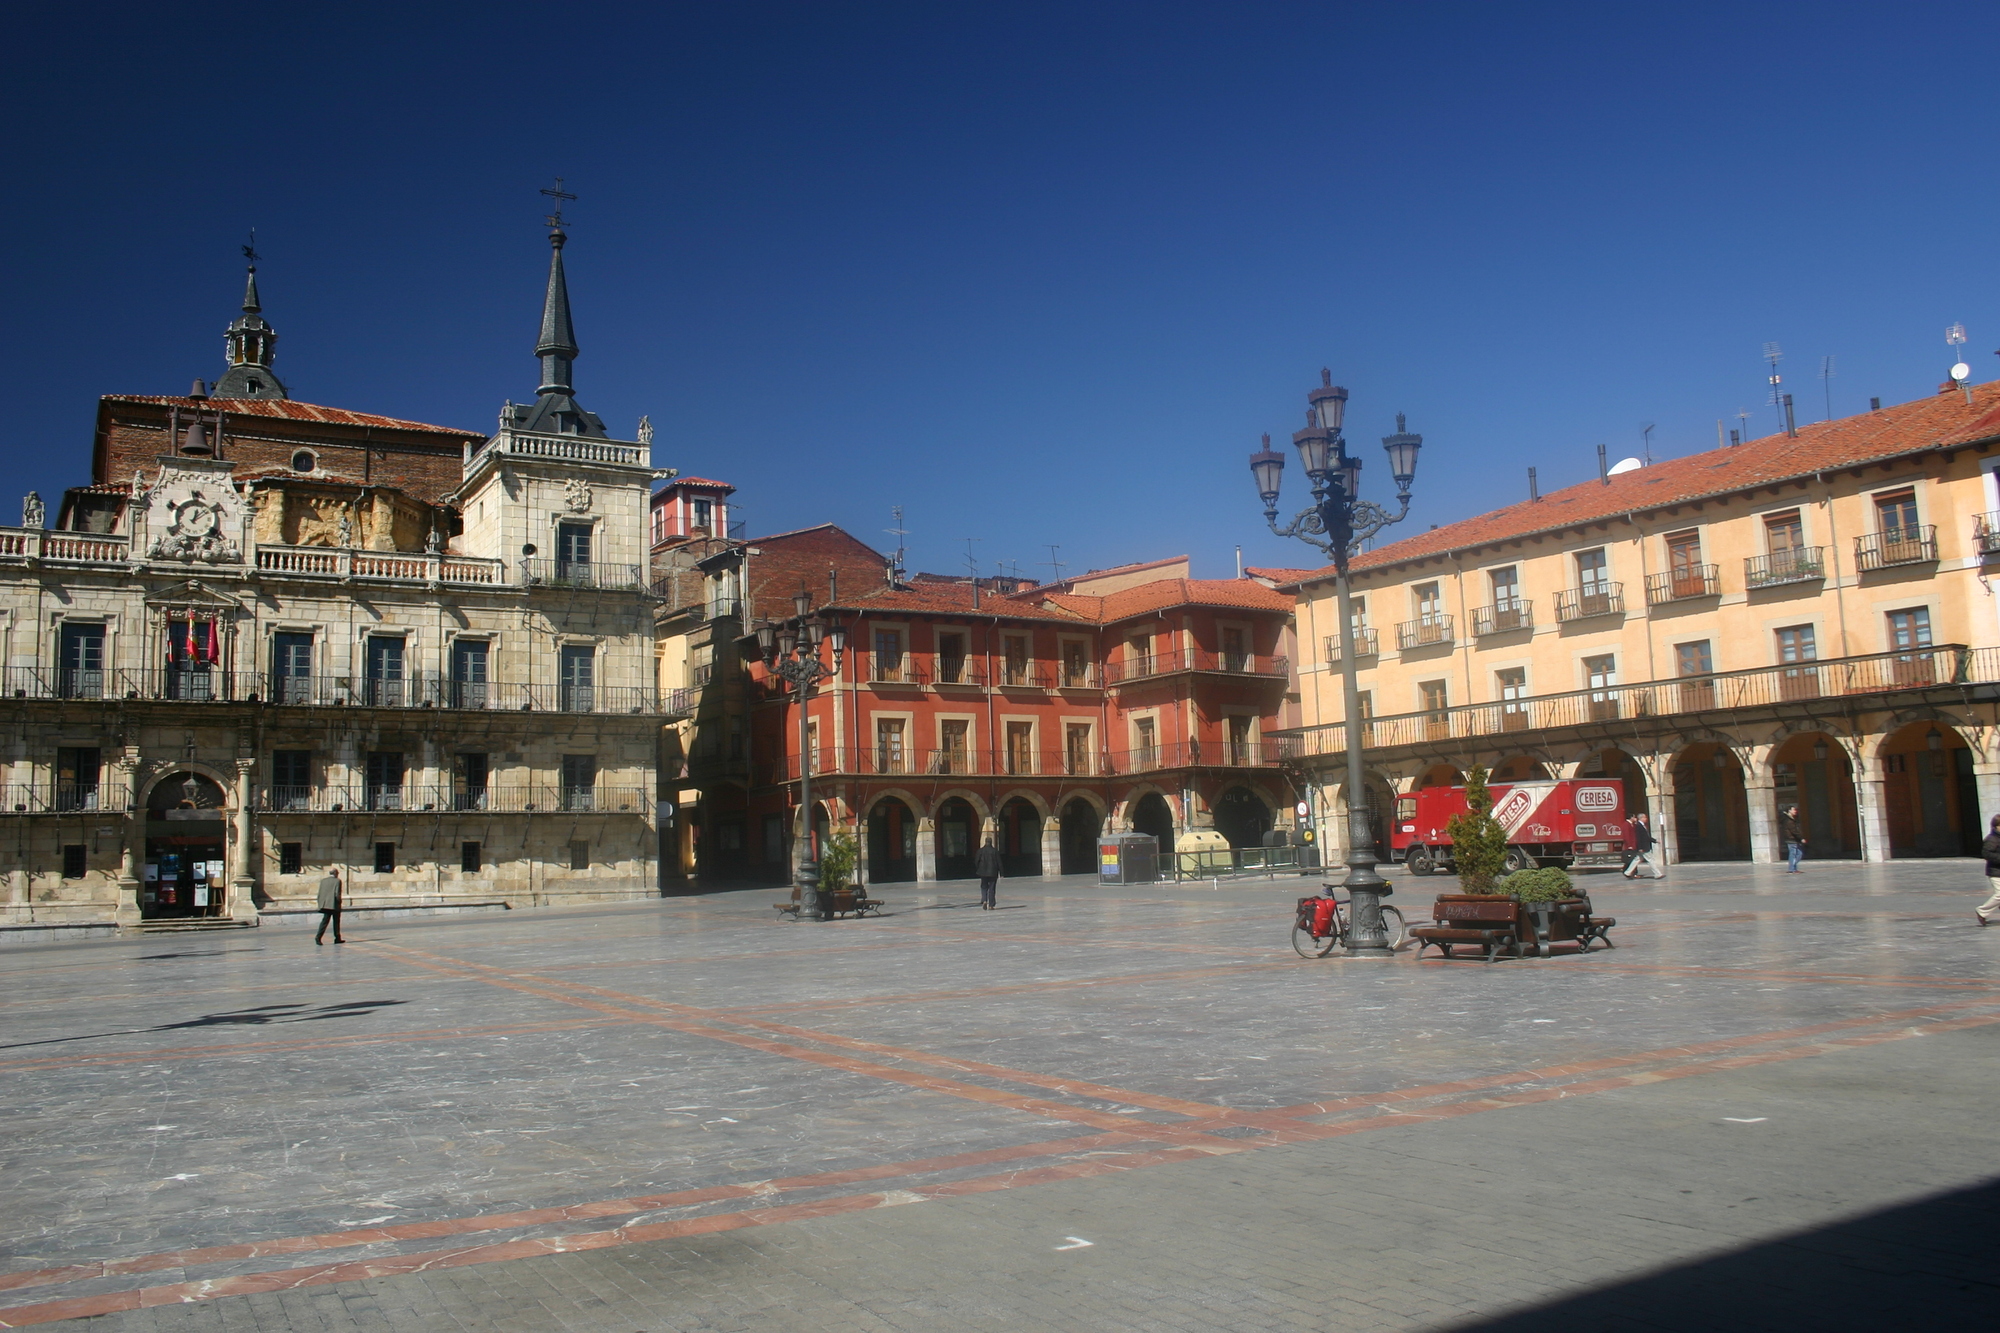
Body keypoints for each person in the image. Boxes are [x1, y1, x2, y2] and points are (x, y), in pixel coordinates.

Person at [1622, 812, 1663, 879]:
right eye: (1645, 817)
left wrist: (1655, 841)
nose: (1646, 819)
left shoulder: (1642, 825)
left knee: (1637, 859)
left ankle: (1628, 872)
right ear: (1641, 818)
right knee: (1650, 860)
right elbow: (1638, 837)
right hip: (1643, 847)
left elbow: (1646, 837)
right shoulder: (1638, 826)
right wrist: (1640, 847)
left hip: (1643, 846)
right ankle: (1657, 874)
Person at [1979, 815, 2000, 927]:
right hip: (1996, 872)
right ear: (1996, 826)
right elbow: (1987, 854)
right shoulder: (1992, 839)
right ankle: (1982, 911)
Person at [315, 868, 345, 944]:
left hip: (325, 904)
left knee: (325, 921)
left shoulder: (323, 881)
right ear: (335, 873)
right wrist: (339, 902)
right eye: (337, 873)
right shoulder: (337, 881)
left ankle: (319, 937)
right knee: (336, 922)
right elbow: (337, 893)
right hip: (334, 904)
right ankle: (337, 938)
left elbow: (320, 893)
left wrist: (320, 903)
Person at [974, 836, 1003, 910]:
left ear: (985, 842)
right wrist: (1001, 873)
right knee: (992, 888)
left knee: (984, 886)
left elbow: (976, 861)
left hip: (983, 872)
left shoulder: (980, 851)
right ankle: (991, 905)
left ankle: (984, 900)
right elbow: (999, 862)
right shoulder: (995, 851)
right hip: (993, 872)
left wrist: (978, 869)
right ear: (991, 842)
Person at [1780, 805, 1806, 873]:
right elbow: (1794, 831)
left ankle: (1793, 867)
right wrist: (1801, 838)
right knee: (1793, 854)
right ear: (1789, 811)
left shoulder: (1792, 819)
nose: (1795, 811)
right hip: (1791, 839)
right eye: (1793, 810)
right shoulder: (1789, 820)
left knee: (1799, 853)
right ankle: (1792, 869)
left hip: (1794, 839)